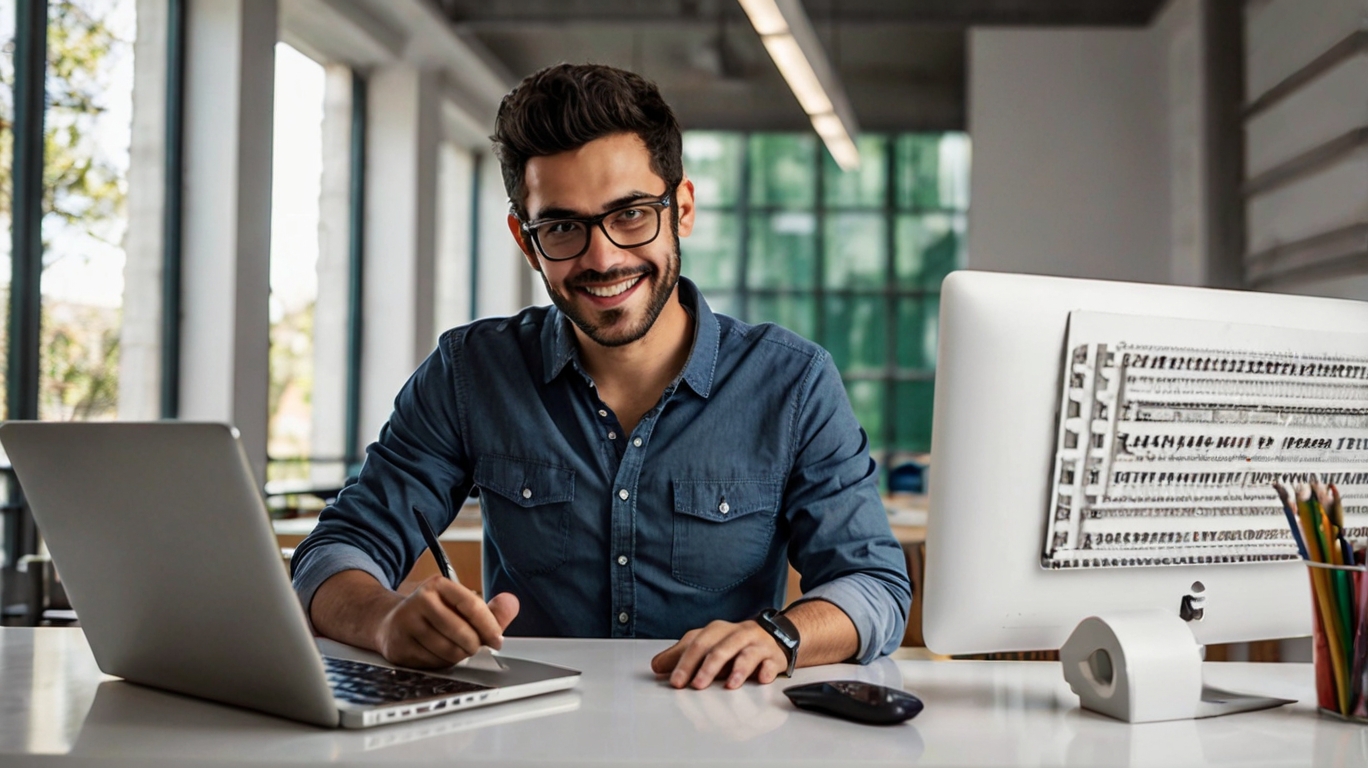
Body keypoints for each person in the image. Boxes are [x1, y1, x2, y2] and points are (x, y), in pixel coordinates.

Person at [291, 63, 911, 691]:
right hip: (526, 735)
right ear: (525, 240)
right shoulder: (469, 374)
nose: (603, 257)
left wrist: (779, 635)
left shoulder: (793, 384)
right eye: (562, 227)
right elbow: (333, 553)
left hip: (722, 736)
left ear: (683, 208)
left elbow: (875, 586)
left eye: (632, 214)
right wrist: (386, 619)